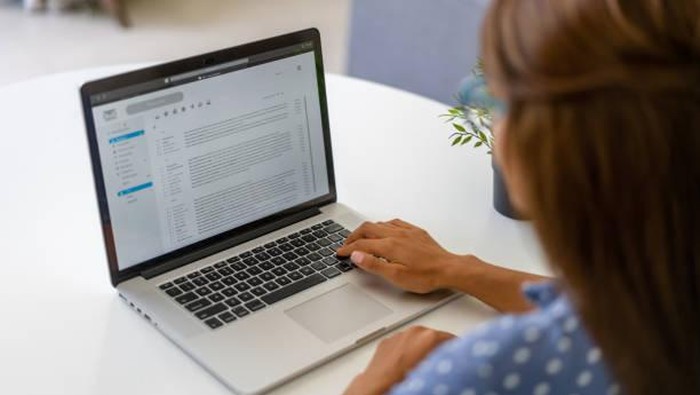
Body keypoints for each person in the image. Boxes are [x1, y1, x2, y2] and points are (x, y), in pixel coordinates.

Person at [338, 0, 700, 394]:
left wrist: (368, 386)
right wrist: (456, 268)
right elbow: (613, 310)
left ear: (534, 147)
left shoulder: (483, 372)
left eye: (495, 97)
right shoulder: (662, 307)